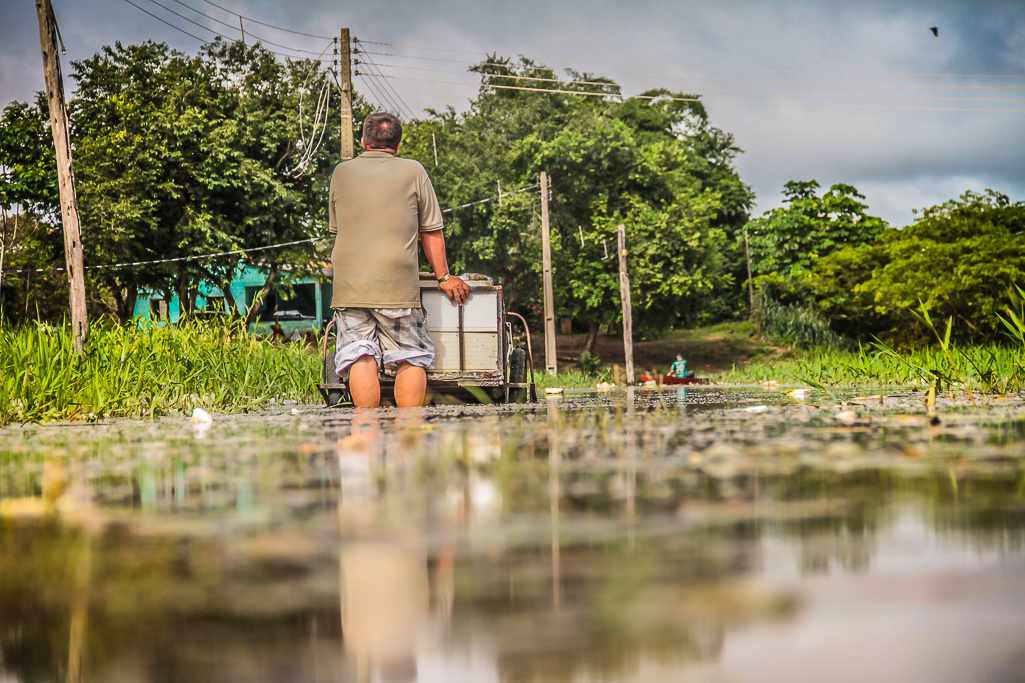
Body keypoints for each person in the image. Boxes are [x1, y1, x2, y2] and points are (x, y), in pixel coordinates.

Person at [329, 112, 470, 408]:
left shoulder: (341, 172)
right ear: (399, 144)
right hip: (395, 283)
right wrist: (444, 277)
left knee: (360, 354)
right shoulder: (413, 170)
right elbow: (431, 230)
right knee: (410, 355)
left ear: (363, 141)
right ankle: (408, 436)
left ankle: (365, 433)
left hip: (349, 283)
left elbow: (338, 229)